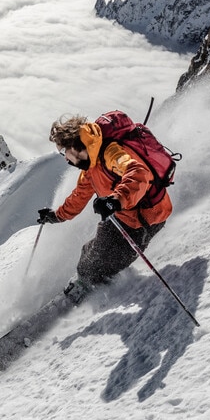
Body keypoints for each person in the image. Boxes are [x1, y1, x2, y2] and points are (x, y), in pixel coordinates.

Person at [37, 115, 173, 303]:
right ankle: (85, 282)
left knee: (101, 263)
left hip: (144, 218)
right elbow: (80, 195)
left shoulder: (111, 153)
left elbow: (138, 173)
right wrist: (56, 216)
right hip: (122, 215)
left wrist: (115, 200)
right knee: (89, 253)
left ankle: (97, 290)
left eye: (64, 152)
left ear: (74, 147)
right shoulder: (91, 165)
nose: (66, 158)